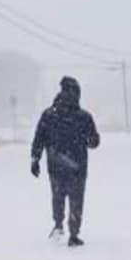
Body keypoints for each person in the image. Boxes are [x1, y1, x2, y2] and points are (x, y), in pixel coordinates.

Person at [30, 76, 100, 246]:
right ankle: (74, 234)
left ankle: (58, 223)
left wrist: (35, 159)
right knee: (76, 199)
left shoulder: (48, 115)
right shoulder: (84, 117)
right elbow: (94, 142)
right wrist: (88, 139)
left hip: (55, 165)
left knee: (57, 195)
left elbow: (39, 138)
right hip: (78, 167)